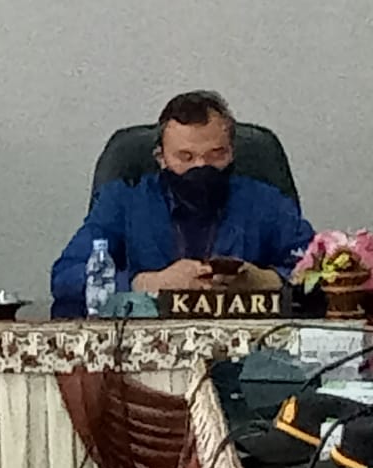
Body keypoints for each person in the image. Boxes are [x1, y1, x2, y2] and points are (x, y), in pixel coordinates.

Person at [51, 91, 314, 318]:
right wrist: (145, 283)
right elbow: (66, 276)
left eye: (216, 155)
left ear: (232, 152)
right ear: (161, 158)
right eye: (185, 157)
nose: (201, 166)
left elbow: (321, 269)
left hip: (251, 347)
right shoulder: (124, 200)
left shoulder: (265, 202)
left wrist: (265, 281)